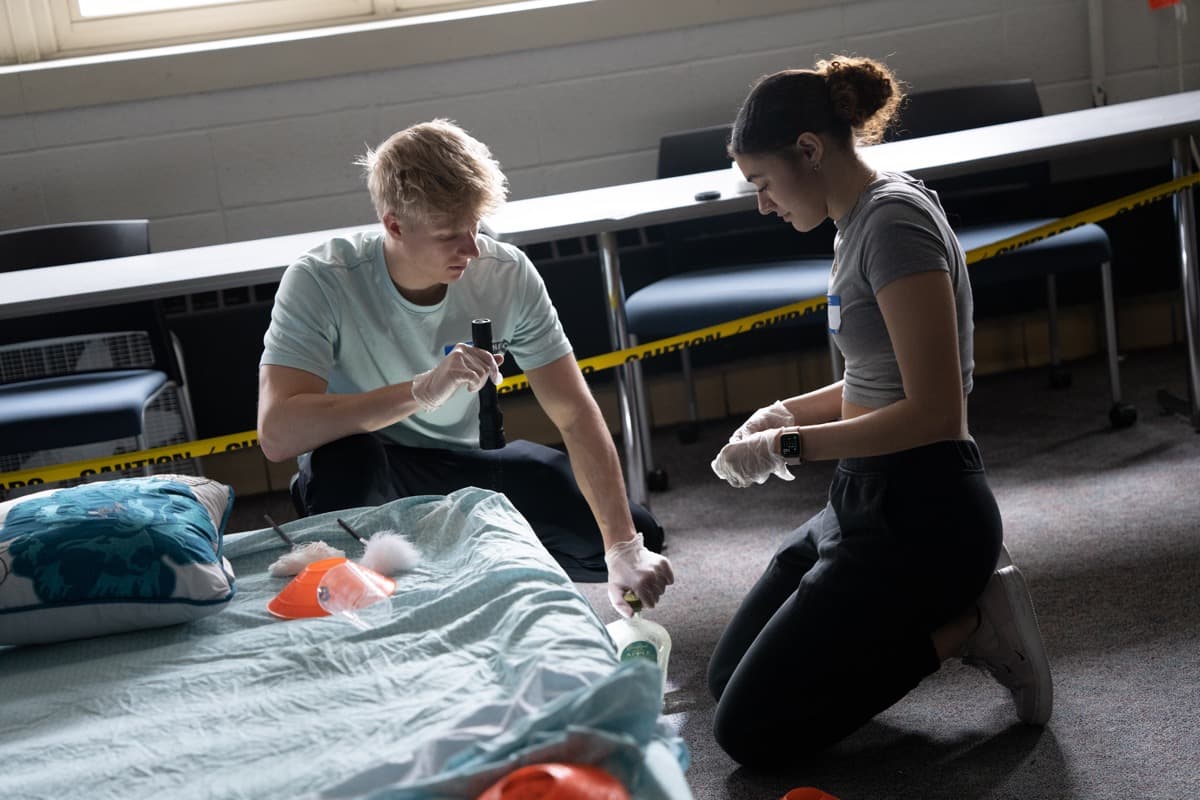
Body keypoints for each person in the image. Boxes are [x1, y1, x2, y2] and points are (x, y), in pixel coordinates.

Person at [705, 57, 1053, 767]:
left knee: (751, 735)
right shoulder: (853, 220)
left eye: (764, 184)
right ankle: (924, 623)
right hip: (861, 500)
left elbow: (933, 413)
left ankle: (971, 627)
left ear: (811, 149)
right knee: (721, 680)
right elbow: (874, 378)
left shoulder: (894, 224)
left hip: (925, 513)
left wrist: (788, 448)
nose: (762, 205)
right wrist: (781, 413)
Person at [256, 118, 672, 617]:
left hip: (461, 464)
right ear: (393, 225)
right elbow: (278, 434)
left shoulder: (507, 273)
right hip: (365, 466)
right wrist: (421, 390)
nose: (472, 249)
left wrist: (621, 547)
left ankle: (471, 568)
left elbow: (575, 414)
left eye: (475, 226)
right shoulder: (321, 279)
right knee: (350, 457)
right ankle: (361, 587)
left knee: (635, 531)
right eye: (450, 235)